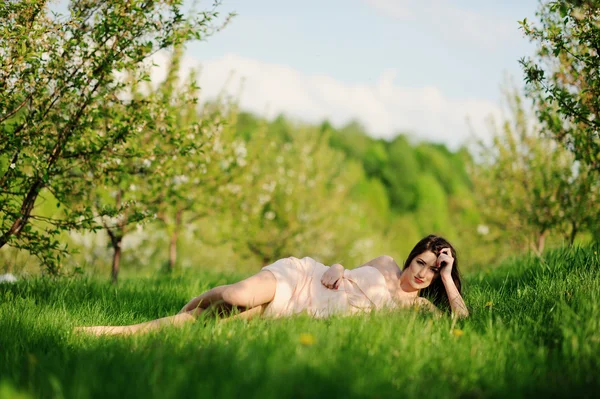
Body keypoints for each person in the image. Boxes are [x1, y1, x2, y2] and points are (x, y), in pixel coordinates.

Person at [75, 235, 468, 336]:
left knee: (210, 322)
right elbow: (344, 265)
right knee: (233, 295)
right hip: (303, 277)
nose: (423, 273)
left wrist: (450, 278)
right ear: (411, 257)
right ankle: (190, 301)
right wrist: (335, 265)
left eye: (433, 271)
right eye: (422, 262)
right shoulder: (384, 264)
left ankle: (109, 332)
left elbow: (461, 320)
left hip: (300, 312)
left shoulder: (416, 307)